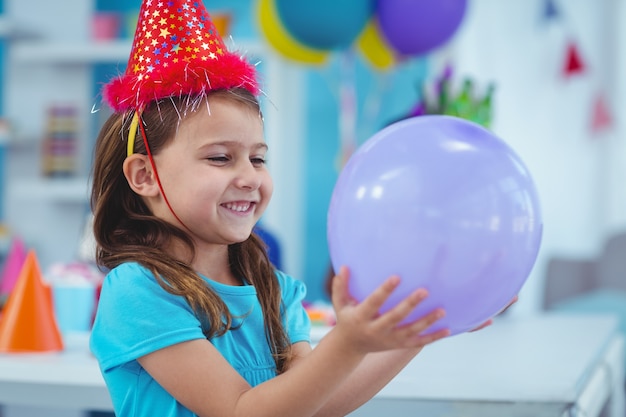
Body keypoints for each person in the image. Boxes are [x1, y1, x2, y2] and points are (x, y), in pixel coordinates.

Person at [89, 1, 502, 416]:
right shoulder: (138, 291)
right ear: (143, 176)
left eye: (258, 158)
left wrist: (415, 333)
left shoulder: (274, 288)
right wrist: (347, 343)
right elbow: (241, 410)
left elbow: (315, 406)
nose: (250, 177)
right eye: (220, 158)